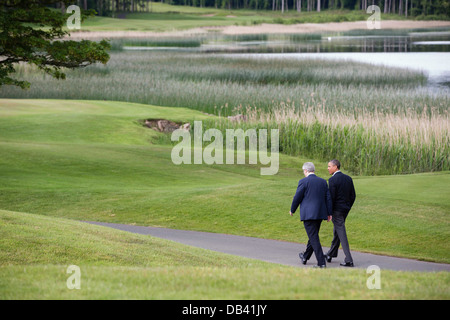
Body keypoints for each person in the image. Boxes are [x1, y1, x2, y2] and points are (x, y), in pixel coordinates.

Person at [290, 162, 332, 268]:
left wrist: (292, 210)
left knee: (313, 238)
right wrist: (329, 213)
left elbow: (297, 197)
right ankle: (305, 256)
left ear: (306, 171)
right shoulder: (322, 182)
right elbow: (328, 198)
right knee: (313, 236)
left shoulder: (303, 181)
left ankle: (321, 263)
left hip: (308, 214)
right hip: (320, 213)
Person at [325, 159, 356, 267]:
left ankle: (349, 259)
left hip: (337, 211)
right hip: (345, 210)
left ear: (335, 167)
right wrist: (347, 207)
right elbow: (353, 196)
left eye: (329, 166)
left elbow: (331, 198)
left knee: (341, 233)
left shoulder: (332, 180)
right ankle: (331, 253)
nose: (328, 168)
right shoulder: (348, 178)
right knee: (337, 231)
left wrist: (329, 212)